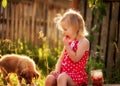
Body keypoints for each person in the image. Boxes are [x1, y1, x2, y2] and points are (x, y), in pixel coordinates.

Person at [44, 9, 89, 86]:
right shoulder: (69, 42)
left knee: (62, 77)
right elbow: (61, 59)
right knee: (50, 78)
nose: (63, 32)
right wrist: (57, 71)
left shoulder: (84, 42)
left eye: (65, 29)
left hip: (76, 78)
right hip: (64, 74)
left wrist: (67, 45)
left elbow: (75, 59)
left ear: (76, 28)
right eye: (63, 29)